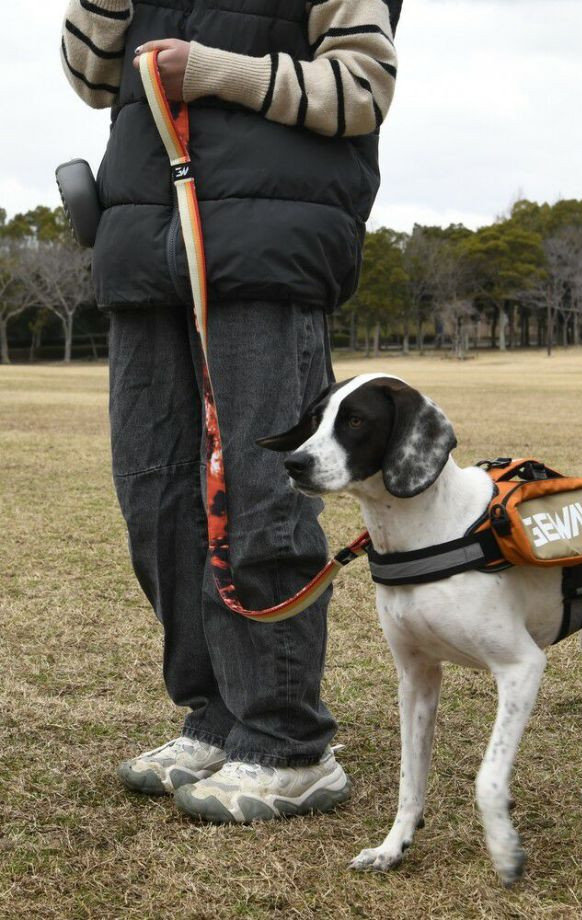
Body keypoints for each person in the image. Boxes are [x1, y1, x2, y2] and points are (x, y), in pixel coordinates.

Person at [60, 0, 399, 824]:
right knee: (157, 494)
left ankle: (287, 742)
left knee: (261, 492)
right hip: (143, 241)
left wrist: (212, 71)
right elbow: (92, 79)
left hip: (267, 242)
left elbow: (362, 88)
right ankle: (214, 714)